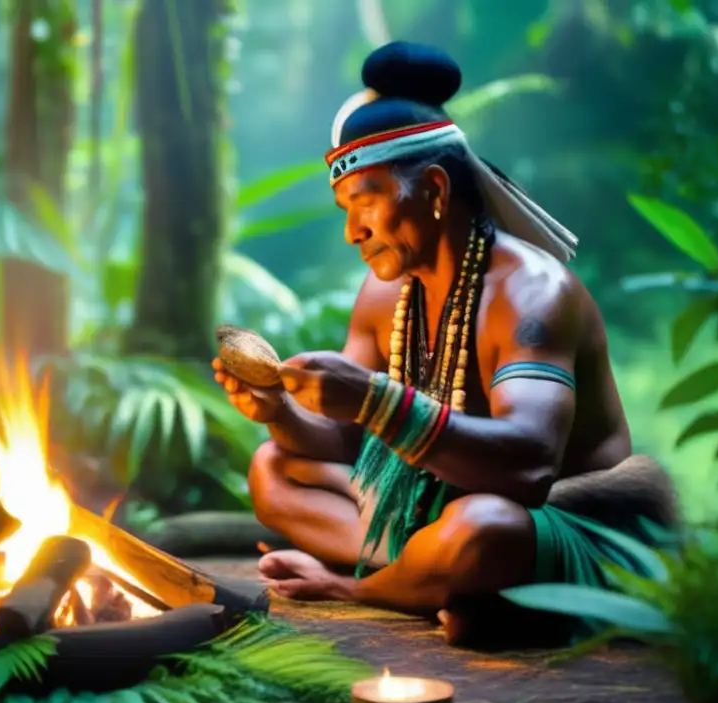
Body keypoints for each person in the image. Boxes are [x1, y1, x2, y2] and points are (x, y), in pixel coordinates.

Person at [212, 41, 679, 648]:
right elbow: (348, 441)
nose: (352, 230)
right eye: (343, 209)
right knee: (272, 467)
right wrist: (279, 412)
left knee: (481, 530)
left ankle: (374, 586)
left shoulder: (530, 295)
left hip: (555, 520)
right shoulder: (386, 296)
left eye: (365, 203)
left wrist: (375, 400)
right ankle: (439, 583)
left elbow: (530, 467)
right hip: (439, 506)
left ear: (433, 191)